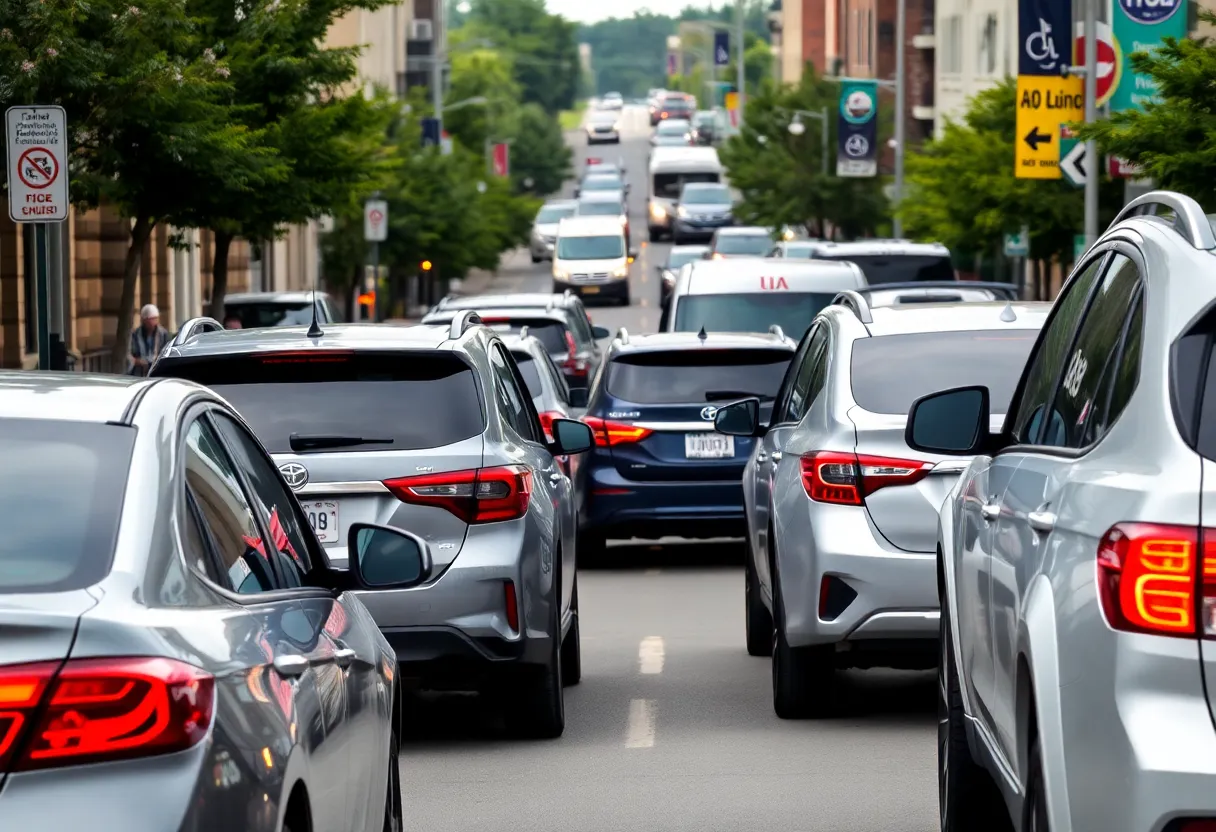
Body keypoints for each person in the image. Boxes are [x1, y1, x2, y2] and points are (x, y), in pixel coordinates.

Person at [128, 304, 168, 376]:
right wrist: (136, 361)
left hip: (157, 373)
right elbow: (129, 354)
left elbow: (166, 353)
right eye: (151, 319)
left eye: (155, 318)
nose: (154, 321)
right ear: (144, 320)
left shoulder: (163, 334)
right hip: (139, 373)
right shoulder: (135, 335)